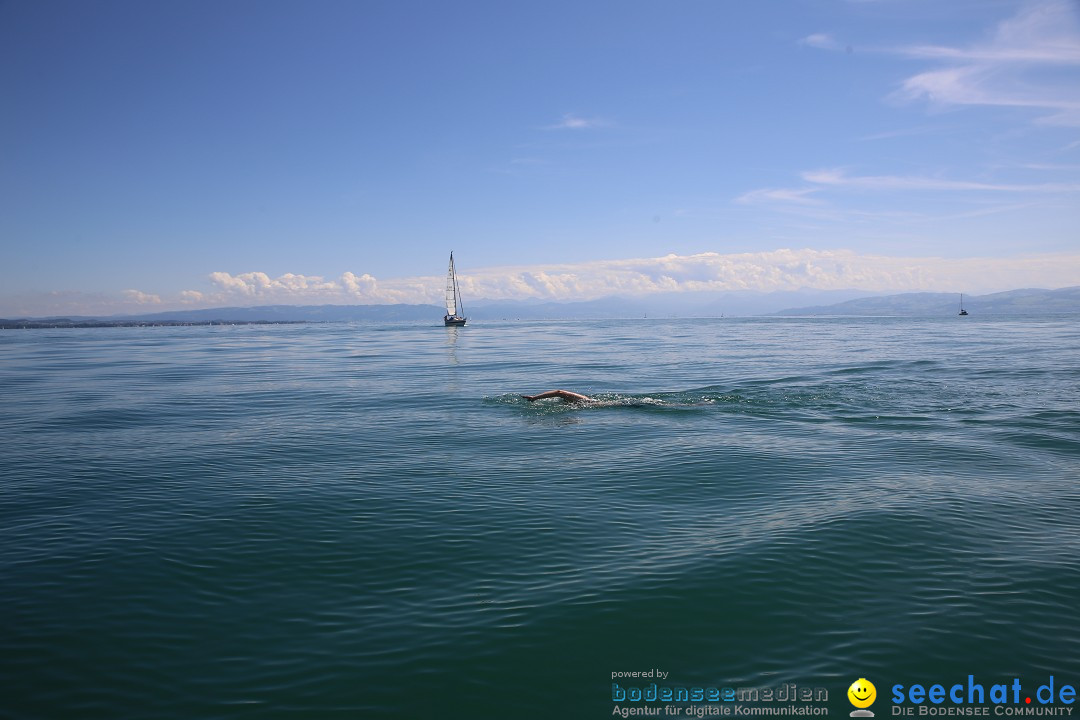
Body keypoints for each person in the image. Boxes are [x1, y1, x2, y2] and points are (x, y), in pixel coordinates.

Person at [521, 389, 595, 403]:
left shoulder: (586, 401)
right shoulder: (587, 401)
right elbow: (559, 393)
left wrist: (535, 398)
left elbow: (559, 392)